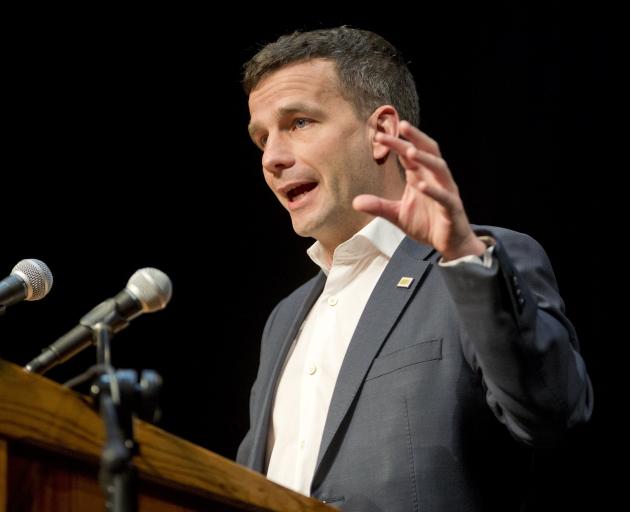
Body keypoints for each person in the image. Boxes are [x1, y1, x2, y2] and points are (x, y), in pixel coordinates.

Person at [236, 26, 593, 511]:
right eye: (262, 138)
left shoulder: (477, 264)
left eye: (298, 122)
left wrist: (466, 256)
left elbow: (553, 415)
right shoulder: (284, 318)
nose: (273, 157)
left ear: (381, 131)